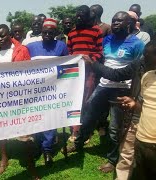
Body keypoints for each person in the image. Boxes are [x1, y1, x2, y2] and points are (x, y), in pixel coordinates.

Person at [67, 11, 145, 173]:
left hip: (123, 89)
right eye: (114, 20)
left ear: (128, 24)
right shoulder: (107, 40)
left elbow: (138, 71)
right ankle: (79, 143)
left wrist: (133, 93)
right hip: (103, 85)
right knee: (88, 115)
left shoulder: (137, 44)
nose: (115, 23)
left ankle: (112, 159)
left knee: (115, 127)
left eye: (120, 21)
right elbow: (102, 60)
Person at [85, 40, 155, 180]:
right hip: (137, 120)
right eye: (144, 55)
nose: (144, 59)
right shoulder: (141, 67)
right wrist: (93, 64)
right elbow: (116, 74)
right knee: (126, 153)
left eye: (149, 56)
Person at [0, 24, 35, 177]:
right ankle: (4, 158)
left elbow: (30, 71)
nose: (0, 39)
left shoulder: (21, 50)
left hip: (18, 97)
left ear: (10, 35)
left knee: (24, 129)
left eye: (3, 36)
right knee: (0, 129)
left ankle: (30, 163)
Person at [26, 18, 68, 166]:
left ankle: (48, 150)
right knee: (36, 117)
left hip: (53, 90)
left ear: (55, 33)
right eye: (45, 32)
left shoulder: (61, 46)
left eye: (51, 32)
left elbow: (67, 66)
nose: (47, 35)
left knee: (50, 119)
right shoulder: (31, 47)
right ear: (41, 33)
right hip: (35, 91)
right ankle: (38, 145)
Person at [67, 5, 104, 142]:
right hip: (74, 72)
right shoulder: (71, 33)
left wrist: (90, 60)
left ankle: (85, 130)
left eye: (82, 14)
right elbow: (69, 52)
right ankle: (75, 130)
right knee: (74, 100)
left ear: (88, 16)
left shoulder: (96, 31)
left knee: (86, 101)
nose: (78, 17)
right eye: (77, 14)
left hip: (89, 72)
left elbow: (99, 52)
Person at [127, 40, 156, 180]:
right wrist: (134, 104)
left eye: (147, 55)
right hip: (141, 141)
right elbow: (144, 106)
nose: (143, 59)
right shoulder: (148, 76)